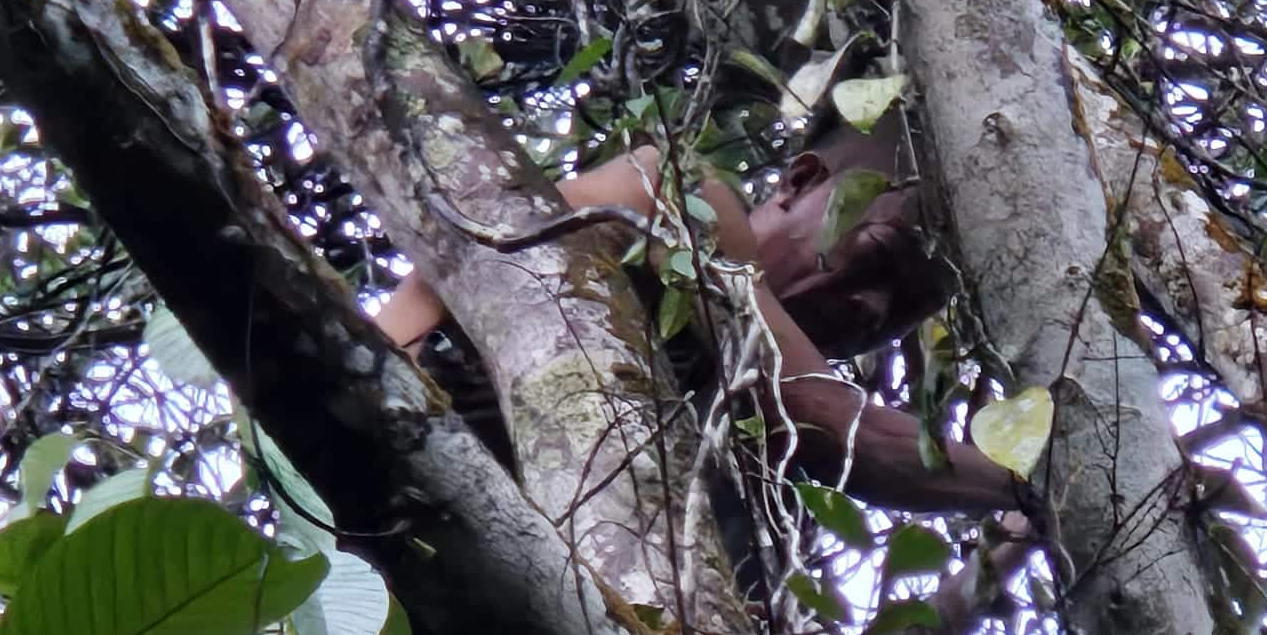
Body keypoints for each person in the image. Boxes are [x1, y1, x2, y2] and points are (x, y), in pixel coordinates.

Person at [374, 116, 1025, 515]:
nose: (873, 307)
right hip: (388, 422)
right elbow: (837, 429)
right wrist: (1044, 491)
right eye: (878, 256)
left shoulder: (725, 410)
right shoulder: (684, 194)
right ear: (800, 181)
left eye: (905, 310)